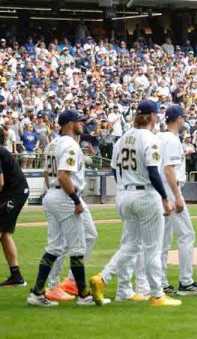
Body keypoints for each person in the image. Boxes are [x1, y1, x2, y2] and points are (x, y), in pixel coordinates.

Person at [90, 100, 181, 307]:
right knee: (152, 248)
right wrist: (165, 198)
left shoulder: (123, 138)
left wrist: (125, 184)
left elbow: (114, 168)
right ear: (151, 116)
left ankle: (103, 277)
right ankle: (157, 295)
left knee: (130, 245)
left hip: (124, 194)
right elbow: (153, 172)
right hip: (145, 195)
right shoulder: (150, 138)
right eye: (156, 114)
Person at [27, 110, 100, 307]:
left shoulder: (53, 143)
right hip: (65, 194)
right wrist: (76, 200)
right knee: (77, 247)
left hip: (52, 193)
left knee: (55, 246)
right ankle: (83, 295)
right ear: (69, 124)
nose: (82, 124)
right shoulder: (70, 144)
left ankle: (38, 292)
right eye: (79, 121)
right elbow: (63, 175)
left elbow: (46, 174)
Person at [158, 105, 197, 296]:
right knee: (187, 234)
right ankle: (186, 282)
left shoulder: (159, 137)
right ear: (178, 119)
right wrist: (177, 196)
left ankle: (160, 282)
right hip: (171, 188)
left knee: (163, 240)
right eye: (183, 118)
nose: (185, 121)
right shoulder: (171, 139)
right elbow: (169, 169)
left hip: (161, 190)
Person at [0, 142, 30, 286]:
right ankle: (16, 276)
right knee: (5, 234)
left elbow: (0, 182)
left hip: (14, 192)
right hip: (14, 191)